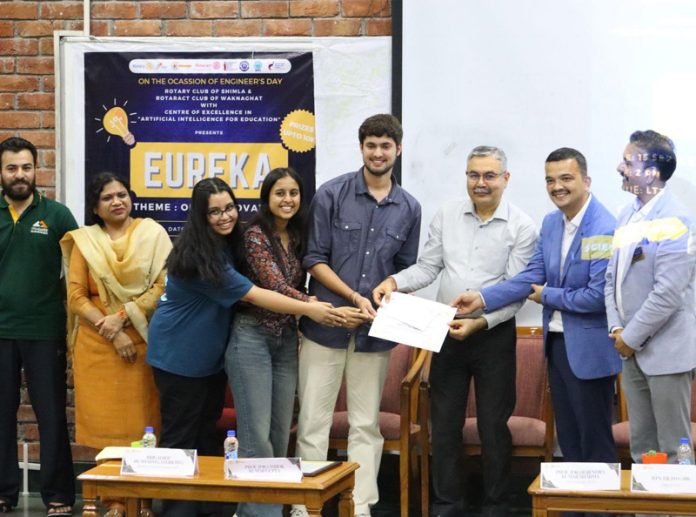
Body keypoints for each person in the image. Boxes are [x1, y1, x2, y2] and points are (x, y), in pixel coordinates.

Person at [146, 177, 345, 517]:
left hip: (210, 359)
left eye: (229, 208)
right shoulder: (197, 256)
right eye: (214, 212)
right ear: (199, 215)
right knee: (181, 439)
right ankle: (175, 512)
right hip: (178, 357)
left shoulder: (230, 241)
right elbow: (253, 294)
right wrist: (311, 308)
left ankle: (210, 509)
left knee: (208, 436)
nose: (225, 217)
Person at [373, 145, 537, 517]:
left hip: (493, 335)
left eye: (489, 175)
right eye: (473, 175)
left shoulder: (522, 226)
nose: (481, 183)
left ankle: (495, 506)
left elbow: (516, 289)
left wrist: (481, 320)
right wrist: (394, 283)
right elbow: (428, 268)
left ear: (505, 179)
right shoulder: (447, 214)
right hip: (445, 331)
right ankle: (447, 505)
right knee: (443, 424)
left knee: (494, 426)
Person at [451, 149, 621, 493]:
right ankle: (574, 511)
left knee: (596, 442)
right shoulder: (550, 223)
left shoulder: (604, 227)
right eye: (550, 180)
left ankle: (602, 513)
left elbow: (595, 297)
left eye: (566, 178)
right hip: (557, 346)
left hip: (589, 351)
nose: (557, 187)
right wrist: (482, 298)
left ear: (586, 182)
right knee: (569, 441)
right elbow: (530, 276)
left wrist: (547, 295)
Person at [292, 114, 421, 517]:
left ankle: (360, 505)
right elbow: (313, 258)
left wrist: (382, 296)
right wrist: (350, 298)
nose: (378, 153)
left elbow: (406, 270)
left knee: (366, 425)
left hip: (375, 332)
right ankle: (305, 504)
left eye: (386, 145)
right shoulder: (332, 194)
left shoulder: (409, 207)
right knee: (314, 420)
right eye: (371, 145)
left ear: (398, 149)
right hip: (324, 325)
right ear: (361, 148)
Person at [60, 172, 172, 517]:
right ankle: (114, 501)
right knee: (106, 431)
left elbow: (161, 286)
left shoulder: (152, 234)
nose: (117, 202)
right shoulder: (85, 241)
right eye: (107, 198)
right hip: (97, 345)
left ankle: (143, 500)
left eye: (122, 195)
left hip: (143, 342)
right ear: (96, 207)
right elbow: (76, 296)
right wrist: (111, 328)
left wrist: (122, 317)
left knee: (143, 424)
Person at [226, 168, 335, 517]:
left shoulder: (300, 234)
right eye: (280, 193)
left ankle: (258, 509)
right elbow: (273, 285)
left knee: (278, 431)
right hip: (251, 338)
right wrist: (313, 306)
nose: (287, 200)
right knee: (256, 435)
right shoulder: (254, 234)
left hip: (286, 340)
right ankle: (261, 513)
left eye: (293, 193)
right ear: (267, 197)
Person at [605, 130, 696, 463]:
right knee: (644, 449)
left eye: (628, 162)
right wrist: (616, 329)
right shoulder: (626, 214)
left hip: (666, 351)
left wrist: (630, 336)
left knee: (676, 450)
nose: (620, 167)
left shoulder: (678, 219)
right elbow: (611, 279)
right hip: (630, 351)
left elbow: (668, 293)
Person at [0, 137, 77, 516]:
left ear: (37, 169)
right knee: (1, 413)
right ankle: (3, 492)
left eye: (26, 167)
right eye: (12, 168)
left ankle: (59, 494)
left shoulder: (58, 216)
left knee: (50, 413)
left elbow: (78, 276)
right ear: (1, 172)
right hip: (0, 332)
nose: (20, 175)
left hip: (45, 330)